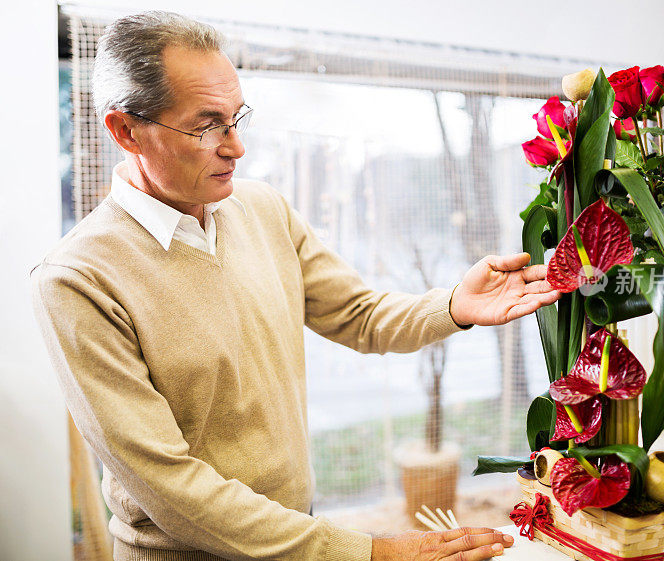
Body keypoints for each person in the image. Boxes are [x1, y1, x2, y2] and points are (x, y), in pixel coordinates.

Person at [32, 11, 561, 561]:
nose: (236, 147)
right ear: (126, 131)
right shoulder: (77, 280)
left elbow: (358, 314)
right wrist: (373, 552)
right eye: (207, 125)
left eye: (237, 118)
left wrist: (454, 305)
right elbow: (170, 488)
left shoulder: (261, 208)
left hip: (296, 539)